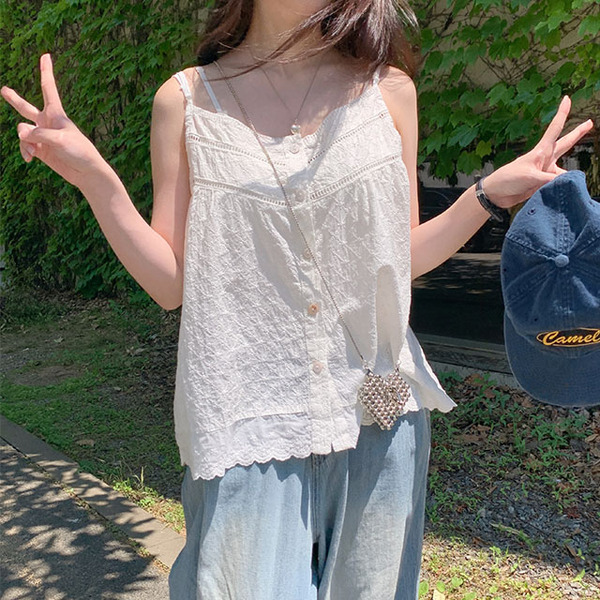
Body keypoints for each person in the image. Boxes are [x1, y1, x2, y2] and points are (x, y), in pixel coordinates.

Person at [1, 1, 594, 598]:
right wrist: (96, 179)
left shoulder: (388, 91)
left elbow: (400, 256)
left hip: (380, 420)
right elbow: (170, 283)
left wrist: (486, 194)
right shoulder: (185, 102)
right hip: (246, 426)